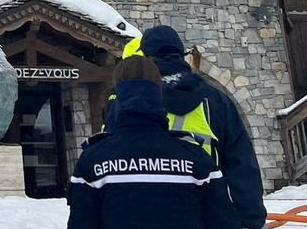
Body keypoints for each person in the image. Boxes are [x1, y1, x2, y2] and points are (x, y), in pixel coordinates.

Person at [105, 26, 266, 229]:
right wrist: (251, 218)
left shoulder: (126, 101)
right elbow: (241, 163)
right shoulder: (215, 100)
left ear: (145, 56)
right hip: (204, 212)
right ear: (182, 55)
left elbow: (106, 158)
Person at [68, 56, 238, 229]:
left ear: (118, 94)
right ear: (158, 92)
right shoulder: (196, 159)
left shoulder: (93, 161)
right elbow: (224, 222)